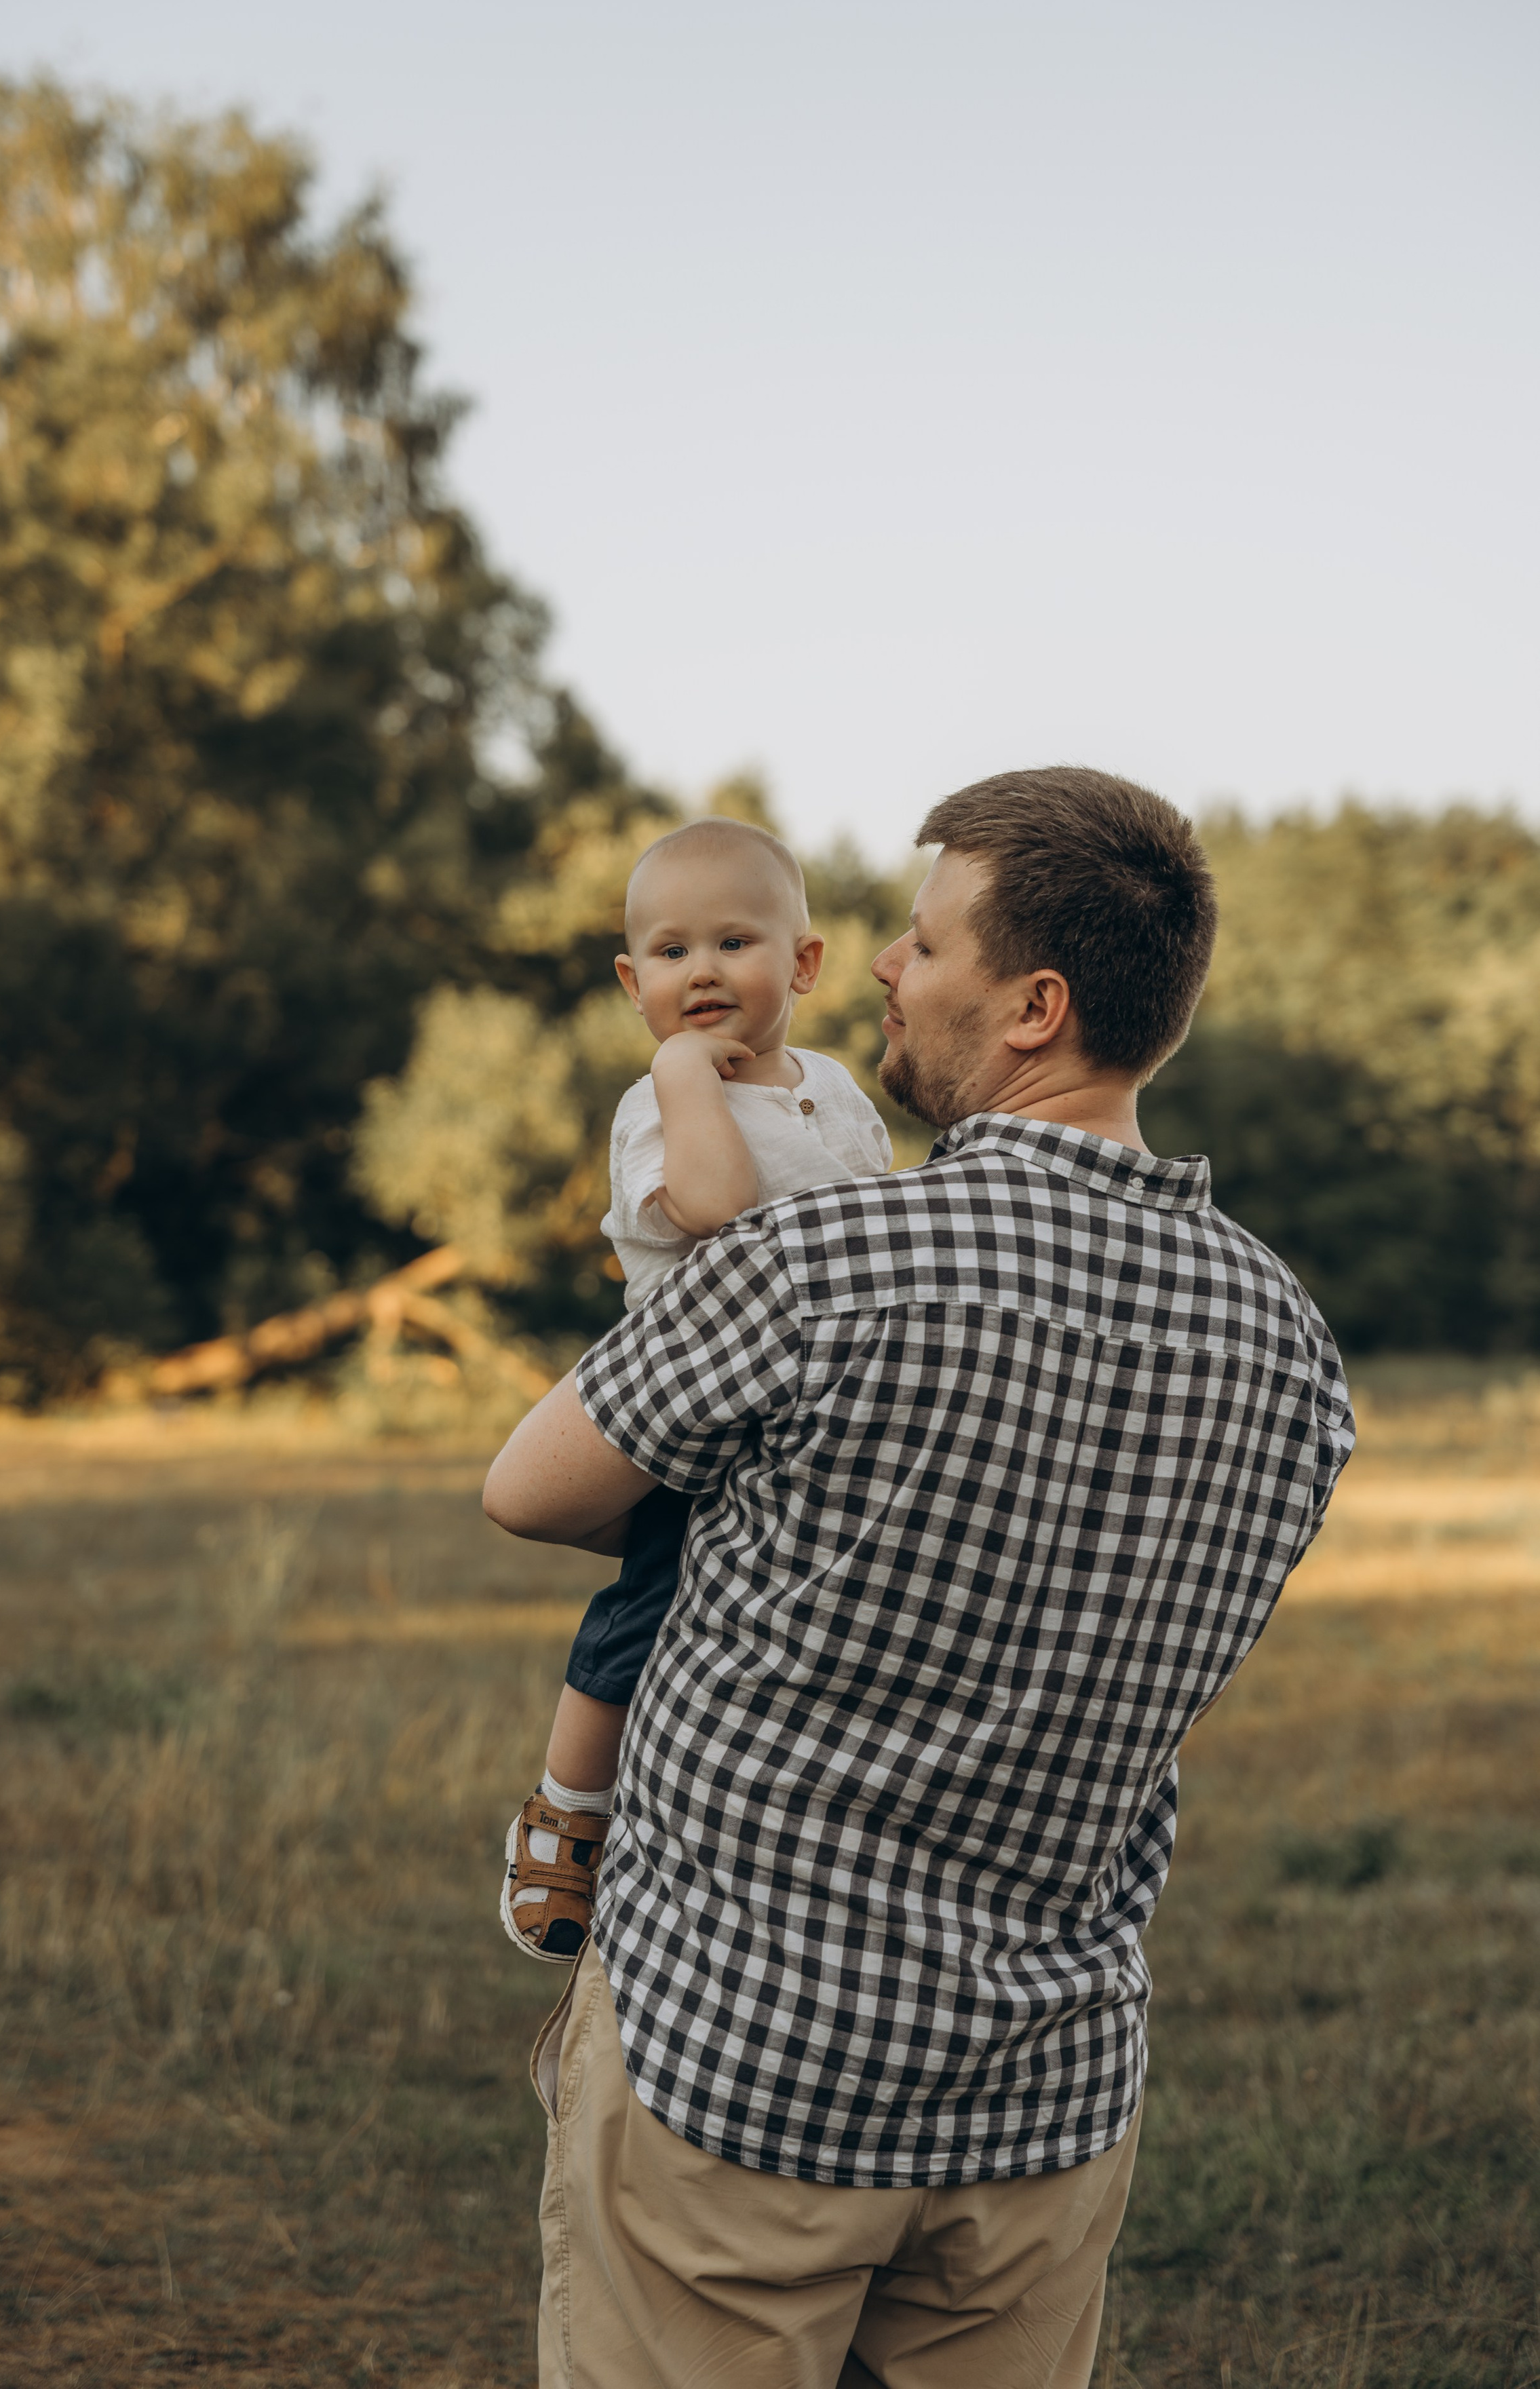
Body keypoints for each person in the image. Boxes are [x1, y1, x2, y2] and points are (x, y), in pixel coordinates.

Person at [485, 766, 1355, 2389]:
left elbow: (526, 1490)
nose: (880, 965)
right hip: (1038, 2096)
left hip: (737, 2068)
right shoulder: (1290, 1350)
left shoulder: (820, 1263)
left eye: (920, 941)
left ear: (1032, 1007)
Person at [501, 814, 893, 1962]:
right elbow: (718, 1205)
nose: (704, 970)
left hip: (820, 1412)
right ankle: (569, 1808)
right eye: (671, 954)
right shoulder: (652, 1107)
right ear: (634, 983)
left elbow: (874, 1211)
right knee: (650, 1598)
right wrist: (684, 1078)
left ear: (805, 964)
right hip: (698, 1415)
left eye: (735, 942)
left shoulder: (832, 1083)